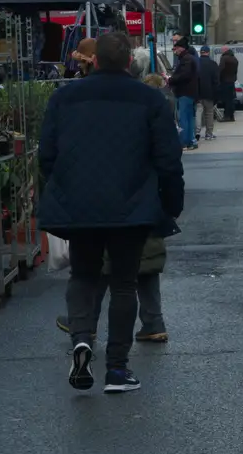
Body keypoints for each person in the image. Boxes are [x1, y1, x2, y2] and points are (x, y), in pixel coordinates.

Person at [39, 31, 184, 394]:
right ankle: (117, 369)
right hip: (132, 206)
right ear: (130, 63)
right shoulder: (150, 99)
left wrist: (62, 187)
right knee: (124, 283)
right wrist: (171, 204)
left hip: (80, 204)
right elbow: (168, 159)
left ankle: (82, 339)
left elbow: (46, 156)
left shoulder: (64, 97)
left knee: (83, 276)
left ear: (96, 61)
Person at [168, 40, 200, 150]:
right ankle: (191, 141)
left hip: (184, 93)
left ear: (181, 48)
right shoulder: (189, 59)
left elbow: (183, 75)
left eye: (175, 48)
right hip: (190, 93)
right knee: (190, 118)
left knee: (183, 119)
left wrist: (170, 80)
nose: (174, 51)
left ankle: (184, 142)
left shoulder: (185, 60)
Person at [196, 46, 219, 141]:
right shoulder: (213, 64)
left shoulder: (196, 63)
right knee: (209, 114)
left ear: (200, 52)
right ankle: (209, 134)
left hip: (197, 93)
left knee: (198, 112)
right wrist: (216, 95)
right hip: (209, 93)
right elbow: (216, 81)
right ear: (208, 52)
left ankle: (197, 132)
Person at [217, 47, 239, 122]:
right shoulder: (234, 59)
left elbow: (221, 69)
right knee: (231, 99)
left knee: (225, 100)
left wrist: (217, 78)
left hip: (224, 81)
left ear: (225, 51)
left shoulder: (224, 58)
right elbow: (236, 71)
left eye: (222, 50)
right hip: (232, 81)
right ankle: (231, 116)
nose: (221, 51)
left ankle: (226, 116)